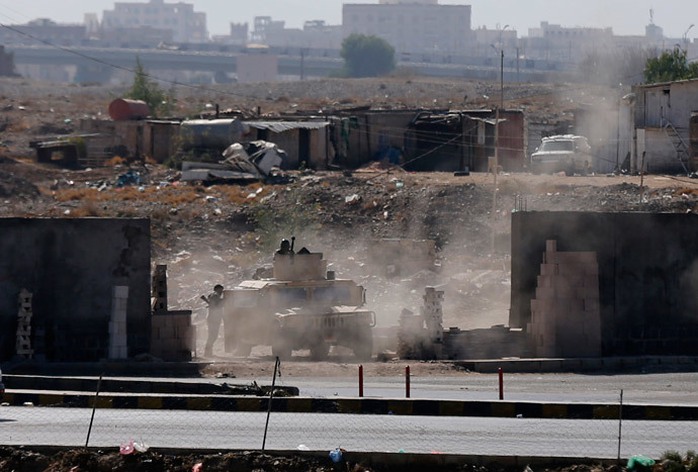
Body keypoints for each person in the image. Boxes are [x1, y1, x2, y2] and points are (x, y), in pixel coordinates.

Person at [201, 284, 224, 357]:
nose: (221, 292)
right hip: (213, 318)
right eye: (220, 290)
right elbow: (216, 306)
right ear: (216, 289)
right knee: (213, 336)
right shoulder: (215, 296)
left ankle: (208, 352)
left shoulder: (213, 296)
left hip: (214, 318)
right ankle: (207, 352)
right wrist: (224, 301)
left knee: (213, 335)